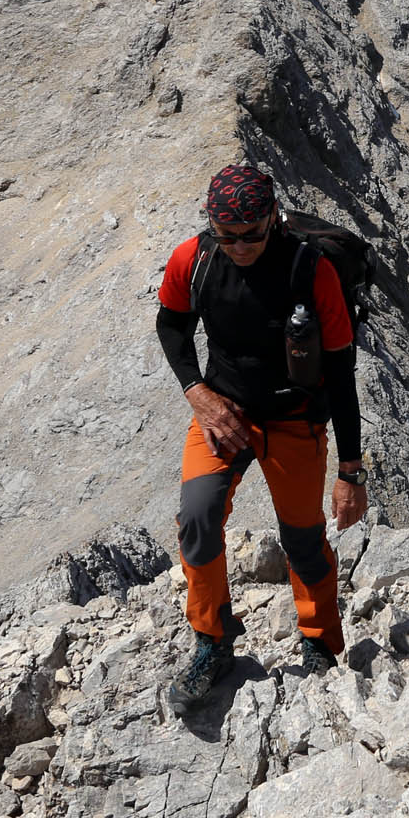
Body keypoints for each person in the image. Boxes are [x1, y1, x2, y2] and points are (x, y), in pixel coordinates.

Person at [154, 164, 368, 708]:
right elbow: (171, 325)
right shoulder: (194, 260)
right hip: (223, 411)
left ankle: (321, 642)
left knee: (302, 537)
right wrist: (196, 393)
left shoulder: (310, 270)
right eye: (229, 236)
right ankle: (212, 642)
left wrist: (350, 472)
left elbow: (341, 373)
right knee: (197, 517)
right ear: (212, 226)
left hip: (296, 418)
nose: (242, 246)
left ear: (273, 217)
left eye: (253, 233)